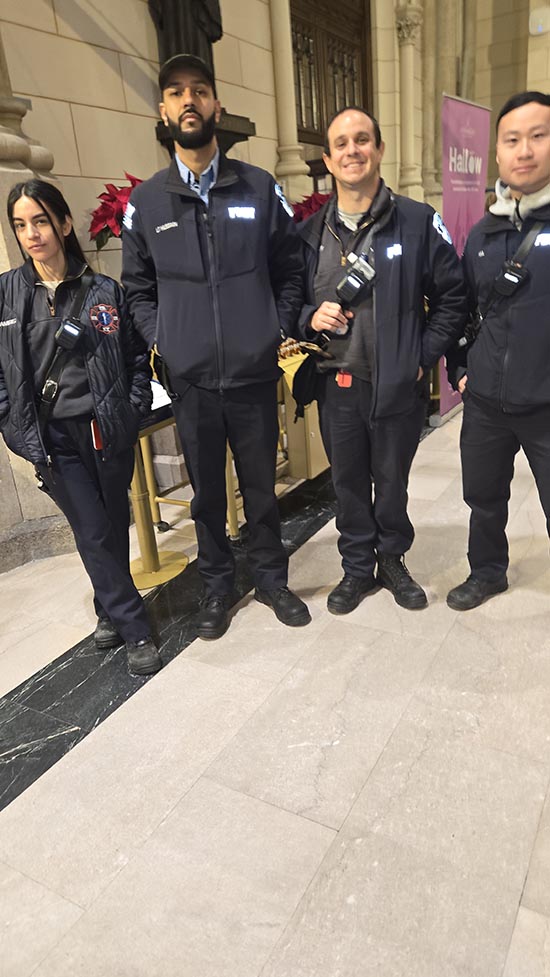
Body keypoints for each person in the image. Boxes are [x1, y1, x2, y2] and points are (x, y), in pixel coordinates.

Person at [122, 53, 310, 639]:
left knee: (260, 486)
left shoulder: (258, 187)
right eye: (176, 93)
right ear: (163, 110)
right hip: (194, 380)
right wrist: (166, 341)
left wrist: (271, 329)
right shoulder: (147, 203)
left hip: (253, 374)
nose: (188, 101)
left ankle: (273, 579)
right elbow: (137, 289)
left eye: (198, 91)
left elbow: (291, 268)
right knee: (206, 494)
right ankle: (217, 586)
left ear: (215, 106)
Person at [297, 106, 466, 614]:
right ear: (328, 159)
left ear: (379, 149)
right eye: (342, 143)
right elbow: (285, 304)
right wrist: (309, 315)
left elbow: (453, 297)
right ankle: (355, 569)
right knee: (348, 483)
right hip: (337, 386)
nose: (353, 151)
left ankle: (392, 561)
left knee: (391, 482)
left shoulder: (415, 222)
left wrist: (422, 357)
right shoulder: (307, 235)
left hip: (398, 385)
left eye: (362, 140)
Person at [0, 180, 161, 676]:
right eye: (21, 225)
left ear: (65, 225)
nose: (32, 234)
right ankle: (135, 628)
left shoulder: (103, 292)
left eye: (41, 221)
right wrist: (9, 420)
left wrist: (130, 409)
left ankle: (105, 610)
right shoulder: (6, 294)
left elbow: (136, 361)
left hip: (104, 430)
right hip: (53, 440)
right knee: (92, 530)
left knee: (111, 525)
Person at [446, 91, 550, 610]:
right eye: (512, 140)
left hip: (547, 403)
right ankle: (487, 572)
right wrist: (461, 368)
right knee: (484, 499)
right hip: (487, 402)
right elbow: (462, 308)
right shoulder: (483, 232)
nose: (524, 150)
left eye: (538, 135)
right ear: (498, 153)